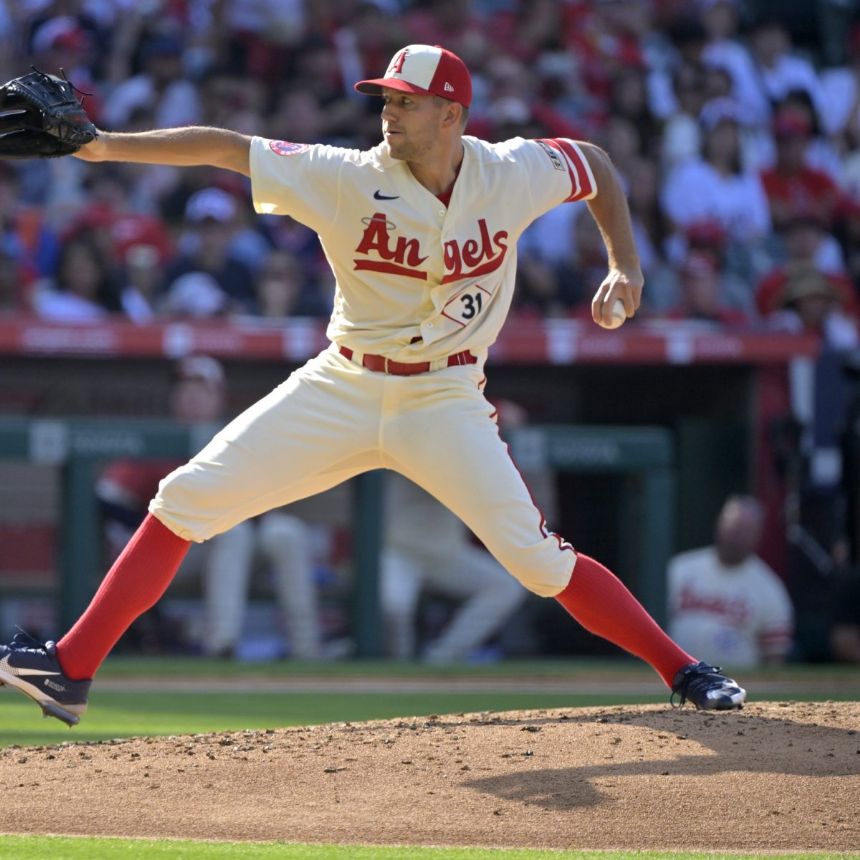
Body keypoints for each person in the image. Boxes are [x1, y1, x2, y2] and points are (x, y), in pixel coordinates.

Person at [0, 44, 746, 725]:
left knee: (537, 560)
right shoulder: (347, 176)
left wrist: (627, 264)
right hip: (344, 385)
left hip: (446, 398)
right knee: (184, 500)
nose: (387, 113)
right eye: (385, 99)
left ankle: (684, 670)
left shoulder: (511, 172)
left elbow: (596, 166)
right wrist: (101, 147)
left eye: (405, 101)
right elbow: (227, 148)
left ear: (452, 114)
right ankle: (71, 669)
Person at [97, 355, 322, 660]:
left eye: (201, 389)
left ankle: (307, 651)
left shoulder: (239, 438)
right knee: (234, 534)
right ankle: (221, 646)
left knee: (286, 533)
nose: (191, 396)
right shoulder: (159, 442)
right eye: (184, 389)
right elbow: (105, 497)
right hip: (177, 554)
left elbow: (267, 501)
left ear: (218, 397)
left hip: (242, 550)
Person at [381, 400, 537, 663]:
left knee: (505, 587)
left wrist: (499, 419)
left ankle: (443, 659)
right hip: (399, 550)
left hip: (447, 553)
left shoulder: (469, 435)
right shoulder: (412, 431)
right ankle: (399, 668)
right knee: (394, 606)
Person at [667, 495, 795, 668]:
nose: (736, 535)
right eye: (733, 526)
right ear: (719, 524)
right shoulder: (681, 568)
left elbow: (774, 659)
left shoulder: (770, 588)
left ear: (758, 535)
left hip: (733, 685)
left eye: (745, 529)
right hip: (673, 674)